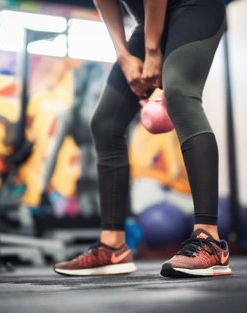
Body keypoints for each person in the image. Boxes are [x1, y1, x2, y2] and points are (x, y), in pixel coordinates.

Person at [54, 0, 232, 278]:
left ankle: (210, 241)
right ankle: (113, 246)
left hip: (195, 7)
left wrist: (152, 51)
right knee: (105, 122)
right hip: (146, 24)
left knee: (180, 96)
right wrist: (123, 56)